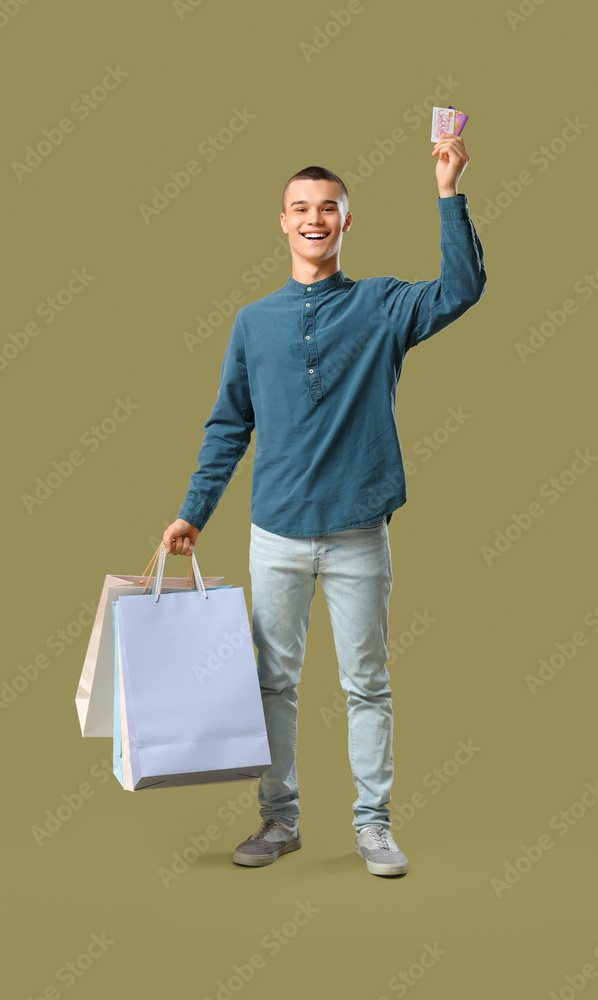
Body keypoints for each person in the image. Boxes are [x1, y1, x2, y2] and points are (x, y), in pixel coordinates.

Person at [163, 132, 486, 876]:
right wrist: (194, 510)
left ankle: (373, 826)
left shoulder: (380, 306)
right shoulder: (252, 321)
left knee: (366, 685)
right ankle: (279, 822)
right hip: (274, 533)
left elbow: (461, 290)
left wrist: (447, 193)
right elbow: (227, 424)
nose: (314, 218)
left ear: (347, 222)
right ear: (281, 221)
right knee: (270, 683)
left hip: (357, 535)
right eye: (300, 207)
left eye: (329, 208)